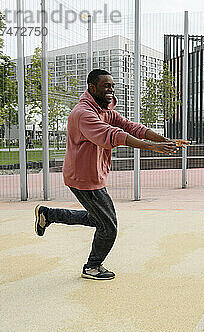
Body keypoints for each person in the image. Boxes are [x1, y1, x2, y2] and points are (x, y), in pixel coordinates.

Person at [34, 69, 189, 280]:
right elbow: (114, 134)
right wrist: (152, 147)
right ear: (92, 87)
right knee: (109, 227)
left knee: (96, 218)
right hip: (83, 178)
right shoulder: (84, 114)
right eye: (106, 85)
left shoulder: (104, 111)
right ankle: (92, 267)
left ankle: (49, 214)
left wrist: (163, 140)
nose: (111, 90)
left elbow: (131, 127)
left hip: (92, 175)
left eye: (112, 86)